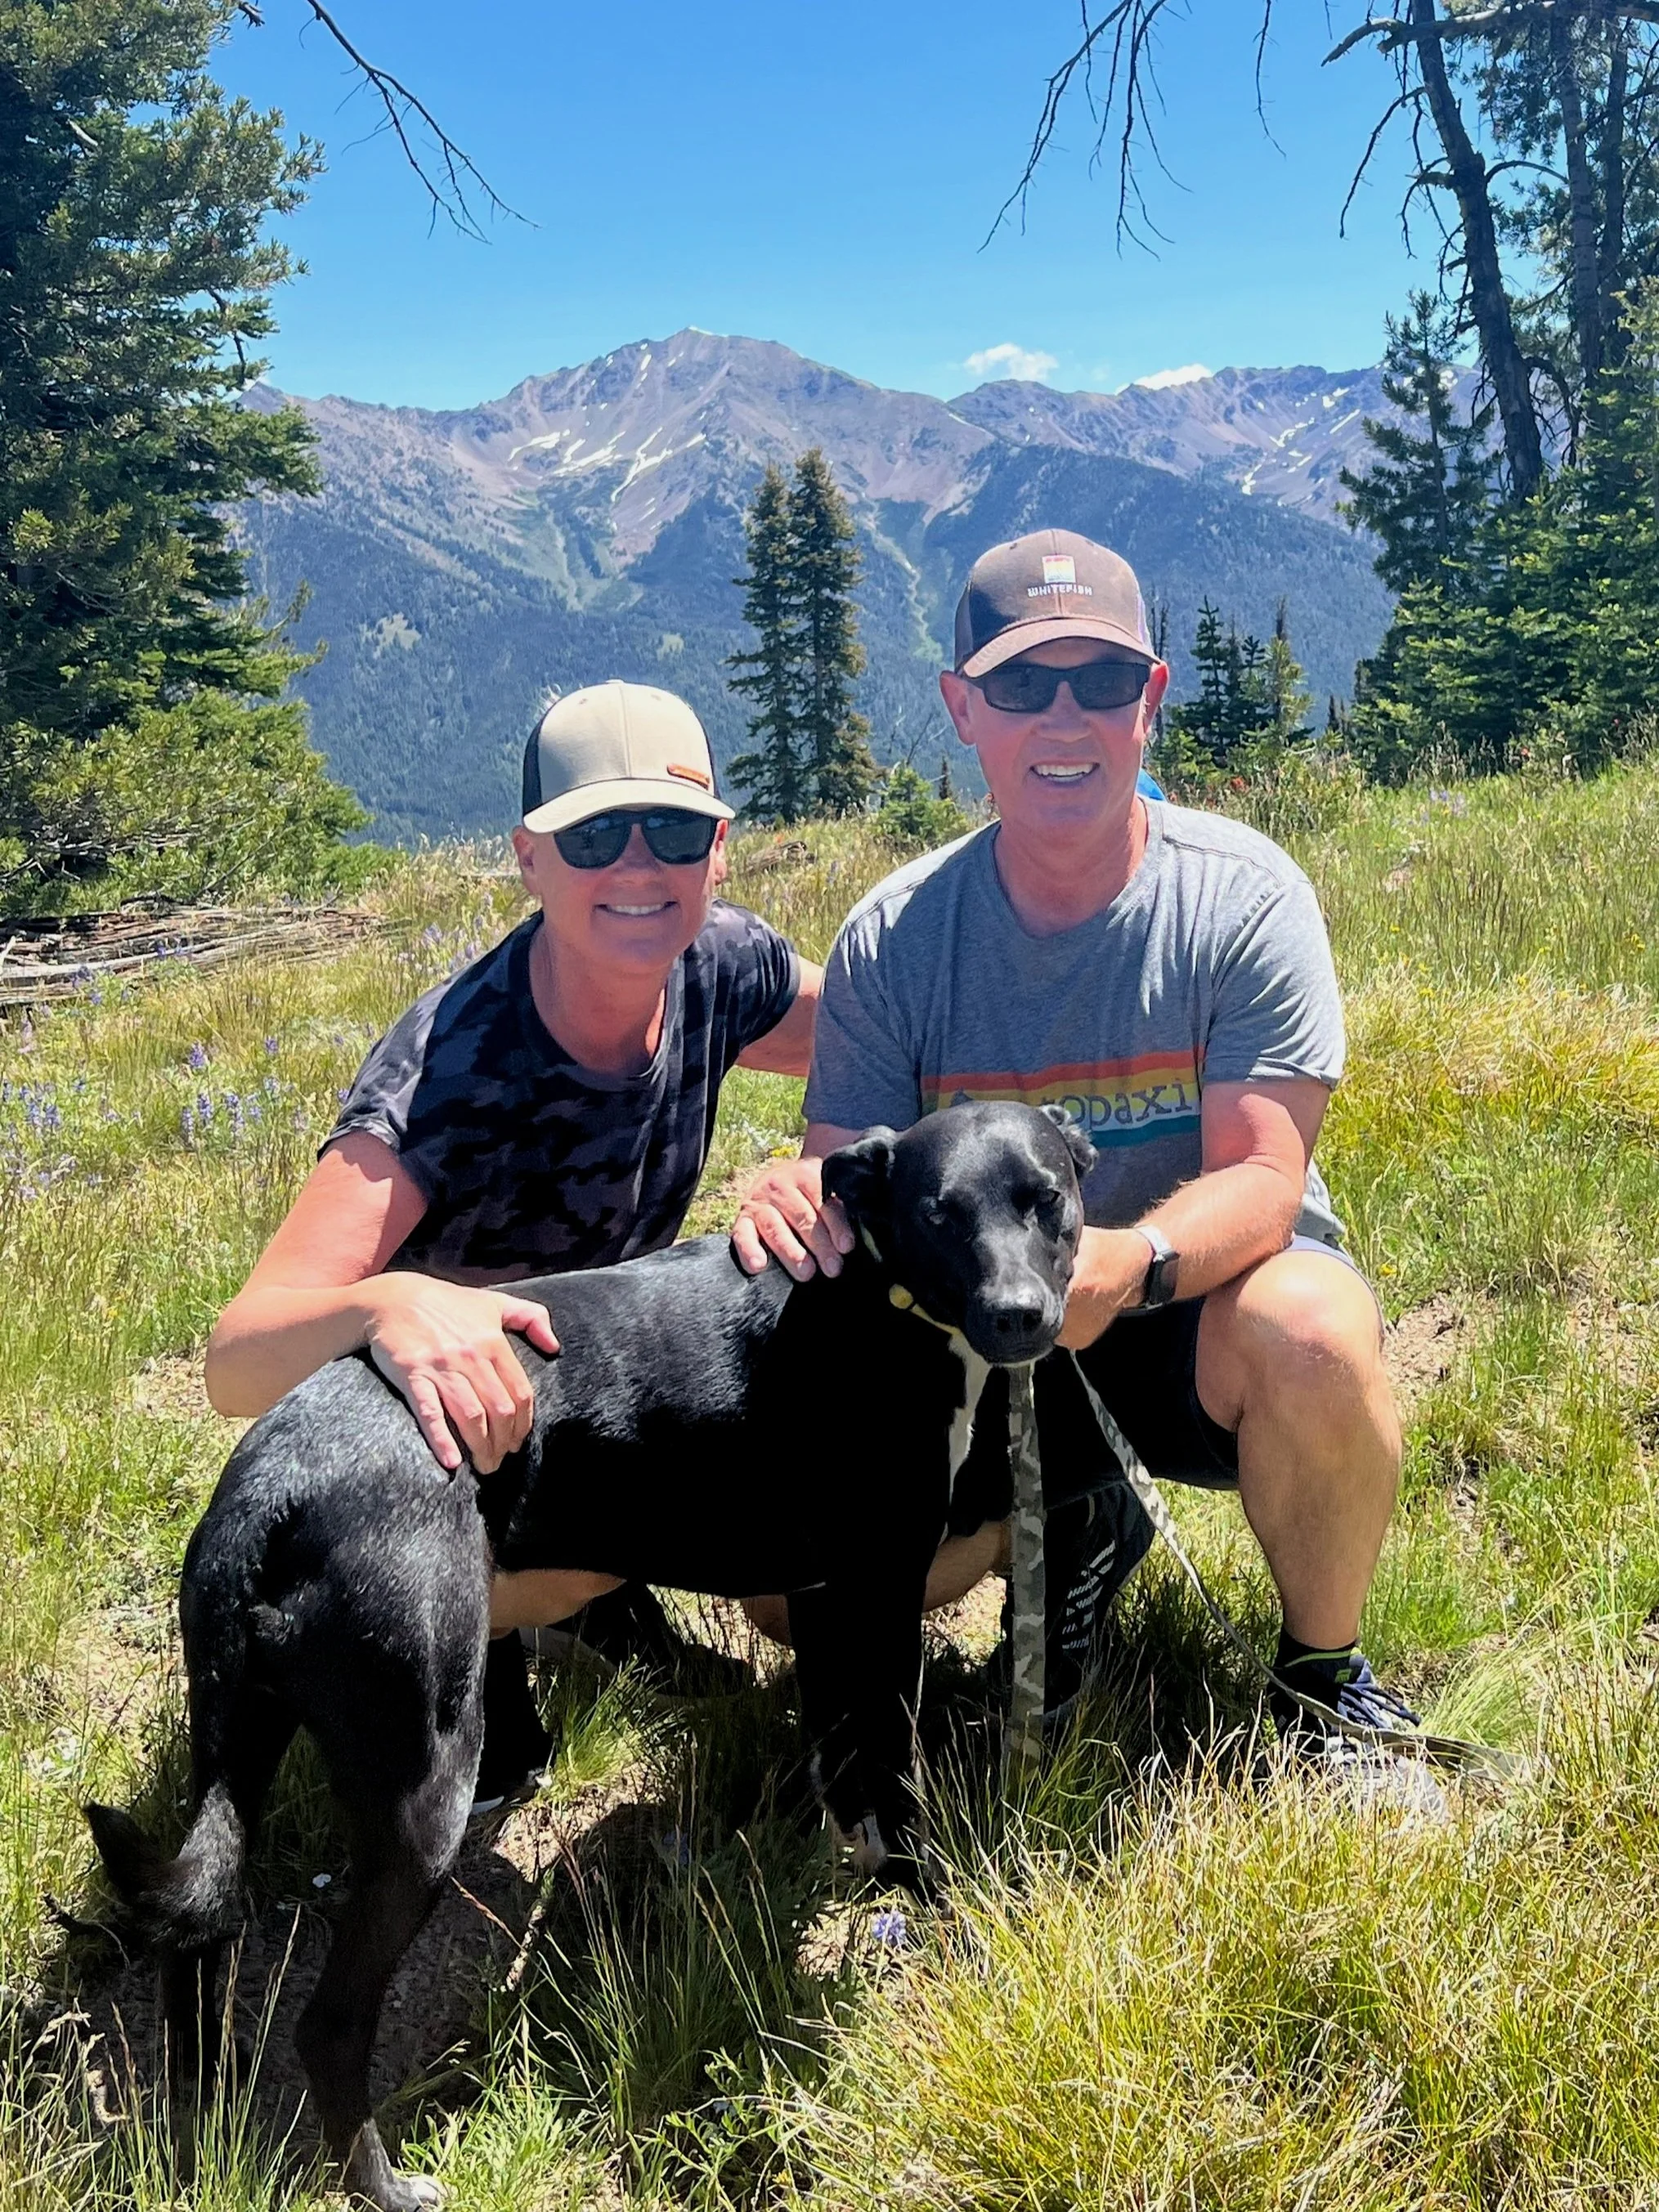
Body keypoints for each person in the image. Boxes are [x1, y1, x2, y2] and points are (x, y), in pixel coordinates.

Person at [733, 530, 1427, 1800]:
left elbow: (1268, 1184)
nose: (1066, 716)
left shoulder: (1244, 898)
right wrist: (789, 1191)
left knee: (1319, 1328)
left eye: (1102, 681)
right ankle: (1077, 1529)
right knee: (784, 1596)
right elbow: (847, 1197)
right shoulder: (895, 939)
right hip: (973, 1342)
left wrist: (1128, 1265)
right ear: (962, 711)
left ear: (1150, 701)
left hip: (1180, 1312)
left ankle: (1324, 1686)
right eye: (1021, 685)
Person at [206, 680, 820, 1808]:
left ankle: (594, 1588)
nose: (638, 867)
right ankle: (495, 1633)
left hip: (587, 1393)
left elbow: (880, 1043)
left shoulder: (723, 965)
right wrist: (386, 1304)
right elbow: (237, 1355)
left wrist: (819, 1160)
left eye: (673, 831)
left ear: (719, 851)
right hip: (436, 1456)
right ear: (529, 859)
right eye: (593, 835)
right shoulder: (448, 1074)